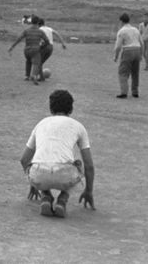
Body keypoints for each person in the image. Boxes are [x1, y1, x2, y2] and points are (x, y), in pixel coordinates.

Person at [20, 90, 95, 218]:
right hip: (65, 175)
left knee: (40, 165)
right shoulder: (79, 126)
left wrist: (34, 183)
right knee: (79, 164)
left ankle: (46, 196)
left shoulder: (41, 124)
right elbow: (89, 166)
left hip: (39, 174)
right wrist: (88, 191)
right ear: (71, 109)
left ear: (51, 109)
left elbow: (24, 159)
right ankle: (62, 199)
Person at [8, 15, 50, 85]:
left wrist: (12, 47)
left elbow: (19, 38)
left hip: (26, 50)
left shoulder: (26, 31)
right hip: (35, 50)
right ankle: (34, 76)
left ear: (31, 22)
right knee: (36, 63)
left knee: (28, 61)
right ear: (38, 22)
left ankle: (27, 76)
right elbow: (47, 41)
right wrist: (42, 46)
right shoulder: (40, 32)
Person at [113, 13, 144, 99]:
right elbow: (142, 43)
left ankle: (124, 92)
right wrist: (141, 54)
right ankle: (135, 91)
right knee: (135, 73)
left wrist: (115, 56)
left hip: (128, 51)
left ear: (121, 21)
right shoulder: (136, 29)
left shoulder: (122, 31)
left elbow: (118, 46)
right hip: (137, 49)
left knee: (123, 72)